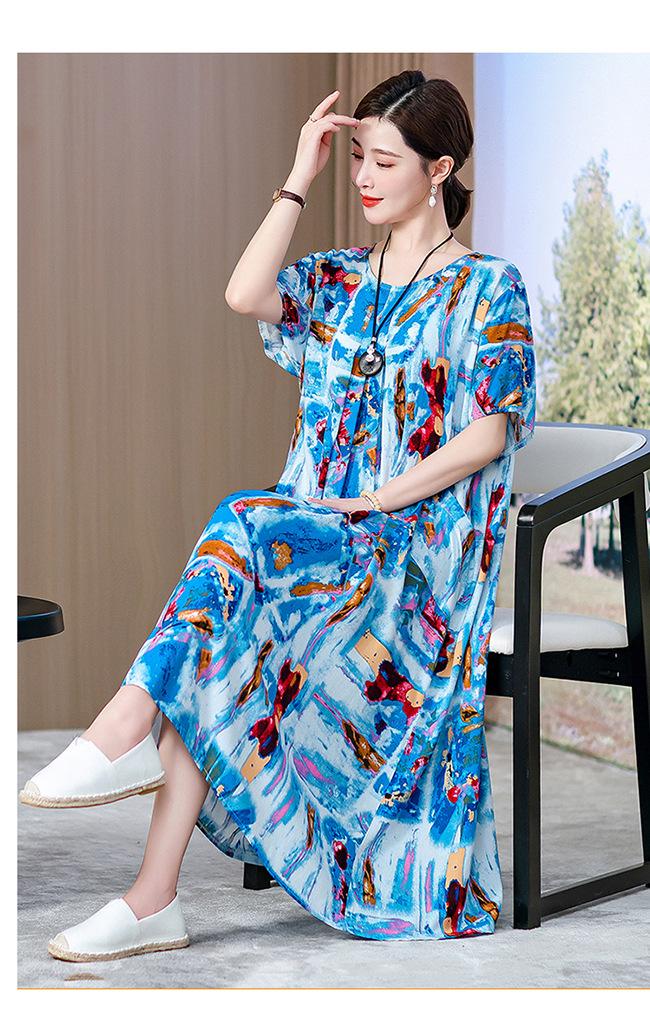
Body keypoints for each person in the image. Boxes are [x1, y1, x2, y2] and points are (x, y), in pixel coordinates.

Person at [20, 70, 536, 960]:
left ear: (440, 169)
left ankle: (127, 730)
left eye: (384, 162)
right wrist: (299, 175)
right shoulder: (339, 276)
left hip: (414, 563)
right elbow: (244, 293)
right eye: (358, 159)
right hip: (316, 544)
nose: (363, 177)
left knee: (243, 530)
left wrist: (377, 498)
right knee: (221, 619)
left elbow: (490, 432)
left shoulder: (490, 287)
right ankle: (151, 894)